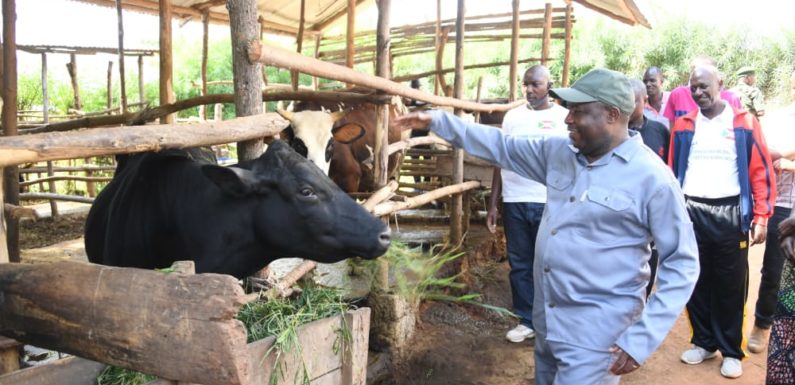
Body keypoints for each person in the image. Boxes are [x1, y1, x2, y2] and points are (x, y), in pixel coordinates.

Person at [395, 68, 699, 385]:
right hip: (548, 320)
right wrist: (438, 122)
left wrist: (643, 337)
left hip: (597, 335)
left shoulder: (652, 178)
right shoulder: (559, 153)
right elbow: (501, 145)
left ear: (611, 114)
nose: (568, 119)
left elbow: (682, 263)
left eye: (579, 112)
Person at [669, 65, 777, 379]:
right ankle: (703, 343)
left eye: (704, 86)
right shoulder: (684, 125)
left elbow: (760, 171)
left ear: (720, 83)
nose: (699, 93)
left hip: (730, 214)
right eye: (693, 88)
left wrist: (762, 216)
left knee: (731, 285)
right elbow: (673, 170)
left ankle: (731, 351)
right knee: (696, 280)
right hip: (692, 213)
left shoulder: (744, 122)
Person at [484, 65, 569, 343]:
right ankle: (526, 320)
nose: (530, 90)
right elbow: (500, 159)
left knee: (551, 262)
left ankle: (553, 320)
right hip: (516, 200)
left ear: (549, 86)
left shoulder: (563, 117)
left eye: (536, 84)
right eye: (526, 85)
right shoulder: (512, 117)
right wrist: (494, 202)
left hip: (550, 201)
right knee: (520, 263)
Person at [764, 73, 795, 384]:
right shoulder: (779, 117)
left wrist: (787, 159)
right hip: (782, 206)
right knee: (774, 270)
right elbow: (764, 152)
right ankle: (763, 322)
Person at [628, 79, 670, 298]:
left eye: (632, 101)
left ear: (644, 101)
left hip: (651, 216)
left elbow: (669, 171)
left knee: (647, 271)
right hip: (623, 214)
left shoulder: (659, 131)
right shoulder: (613, 135)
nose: (626, 106)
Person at [663, 56, 742, 127]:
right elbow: (673, 132)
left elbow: (741, 130)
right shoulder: (678, 95)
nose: (701, 76)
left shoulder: (732, 98)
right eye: (698, 71)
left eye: (707, 72)